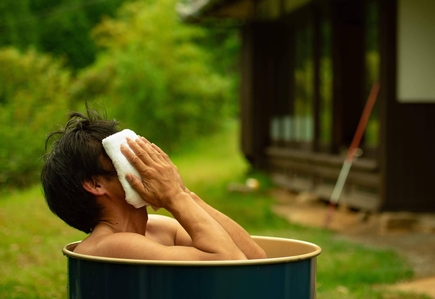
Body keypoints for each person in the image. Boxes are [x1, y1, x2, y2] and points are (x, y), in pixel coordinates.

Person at [41, 107, 266, 261]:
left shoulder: (158, 229)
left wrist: (181, 192)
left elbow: (254, 259)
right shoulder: (108, 246)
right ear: (95, 184)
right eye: (124, 157)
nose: (142, 162)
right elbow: (229, 264)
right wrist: (175, 198)